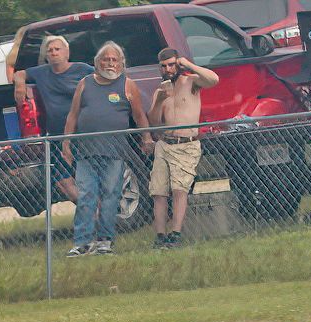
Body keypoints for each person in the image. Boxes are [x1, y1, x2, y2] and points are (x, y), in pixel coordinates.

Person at [62, 42, 152, 257]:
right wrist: (66, 142)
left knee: (111, 196)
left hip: (115, 152)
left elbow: (139, 115)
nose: (110, 63)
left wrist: (146, 137)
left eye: (114, 60)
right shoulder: (84, 83)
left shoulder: (128, 85)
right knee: (86, 197)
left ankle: (105, 241)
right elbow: (73, 115)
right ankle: (82, 243)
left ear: (121, 64)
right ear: (97, 62)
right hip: (85, 152)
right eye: (106, 59)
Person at [147, 48, 219, 249]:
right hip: (164, 144)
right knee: (159, 192)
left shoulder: (191, 82)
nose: (168, 69)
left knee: (180, 190)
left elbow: (213, 80)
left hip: (186, 145)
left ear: (177, 64)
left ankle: (175, 235)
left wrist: (188, 65)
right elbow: (153, 123)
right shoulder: (159, 90)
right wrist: (160, 100)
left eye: (171, 64)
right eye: (164, 66)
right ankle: (160, 236)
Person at [13, 35, 93, 204]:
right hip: (57, 136)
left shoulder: (82, 69)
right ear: (46, 56)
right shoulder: (41, 72)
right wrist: (20, 85)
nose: (53, 52)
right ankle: (90, 212)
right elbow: (19, 73)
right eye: (50, 50)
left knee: (89, 180)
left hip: (82, 134)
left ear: (67, 52)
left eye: (58, 49)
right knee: (62, 182)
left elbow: (105, 79)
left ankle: (100, 219)